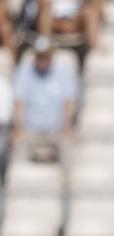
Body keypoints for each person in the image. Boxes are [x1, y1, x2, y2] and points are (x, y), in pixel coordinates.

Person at [12, 35, 78, 164]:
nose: (43, 59)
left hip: (56, 129)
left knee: (68, 144)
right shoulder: (24, 72)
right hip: (30, 130)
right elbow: (19, 103)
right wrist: (19, 129)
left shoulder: (64, 72)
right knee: (18, 144)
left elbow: (68, 103)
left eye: (46, 56)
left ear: (51, 56)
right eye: (40, 56)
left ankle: (71, 182)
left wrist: (66, 126)